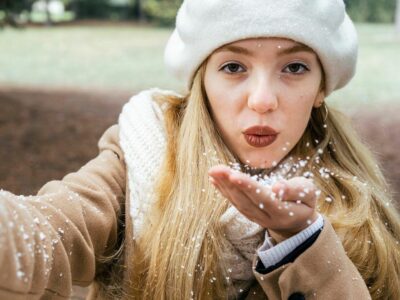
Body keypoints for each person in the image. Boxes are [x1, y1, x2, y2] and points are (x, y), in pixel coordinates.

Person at [1, 0, 399, 299]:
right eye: (233, 67)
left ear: (322, 88)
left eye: (294, 68)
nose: (262, 100)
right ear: (201, 79)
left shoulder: (357, 197)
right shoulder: (145, 150)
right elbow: (53, 229)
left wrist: (302, 238)